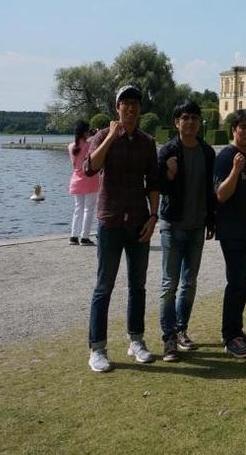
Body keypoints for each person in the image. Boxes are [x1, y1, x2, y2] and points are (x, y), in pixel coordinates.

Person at [84, 85, 160, 372]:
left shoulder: (146, 142)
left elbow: (153, 182)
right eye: (124, 103)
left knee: (138, 285)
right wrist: (111, 137)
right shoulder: (102, 137)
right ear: (117, 108)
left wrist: (154, 217)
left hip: (139, 221)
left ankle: (136, 340)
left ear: (140, 109)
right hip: (110, 221)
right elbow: (90, 168)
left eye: (134, 104)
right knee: (104, 286)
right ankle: (97, 348)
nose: (130, 109)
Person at [156, 100, 216, 361]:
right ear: (176, 123)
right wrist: (168, 175)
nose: (190, 122)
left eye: (194, 117)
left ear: (199, 122)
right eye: (185, 118)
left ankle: (181, 330)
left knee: (189, 284)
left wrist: (211, 220)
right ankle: (168, 338)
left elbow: (210, 190)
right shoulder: (168, 150)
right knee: (169, 284)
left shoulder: (207, 151)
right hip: (173, 225)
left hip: (197, 226)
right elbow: (156, 186)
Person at [214, 109, 246, 359]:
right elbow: (221, 195)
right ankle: (229, 336)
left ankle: (238, 330)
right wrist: (235, 170)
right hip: (231, 230)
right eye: (241, 127)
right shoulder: (225, 157)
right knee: (236, 282)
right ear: (233, 130)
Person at [67, 120, 99, 245]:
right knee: (88, 209)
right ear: (85, 131)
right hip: (90, 179)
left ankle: (73, 236)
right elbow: (96, 140)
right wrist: (95, 133)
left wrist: (90, 135)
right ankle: (85, 237)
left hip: (76, 179)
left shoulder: (70, 146)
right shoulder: (89, 145)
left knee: (78, 209)